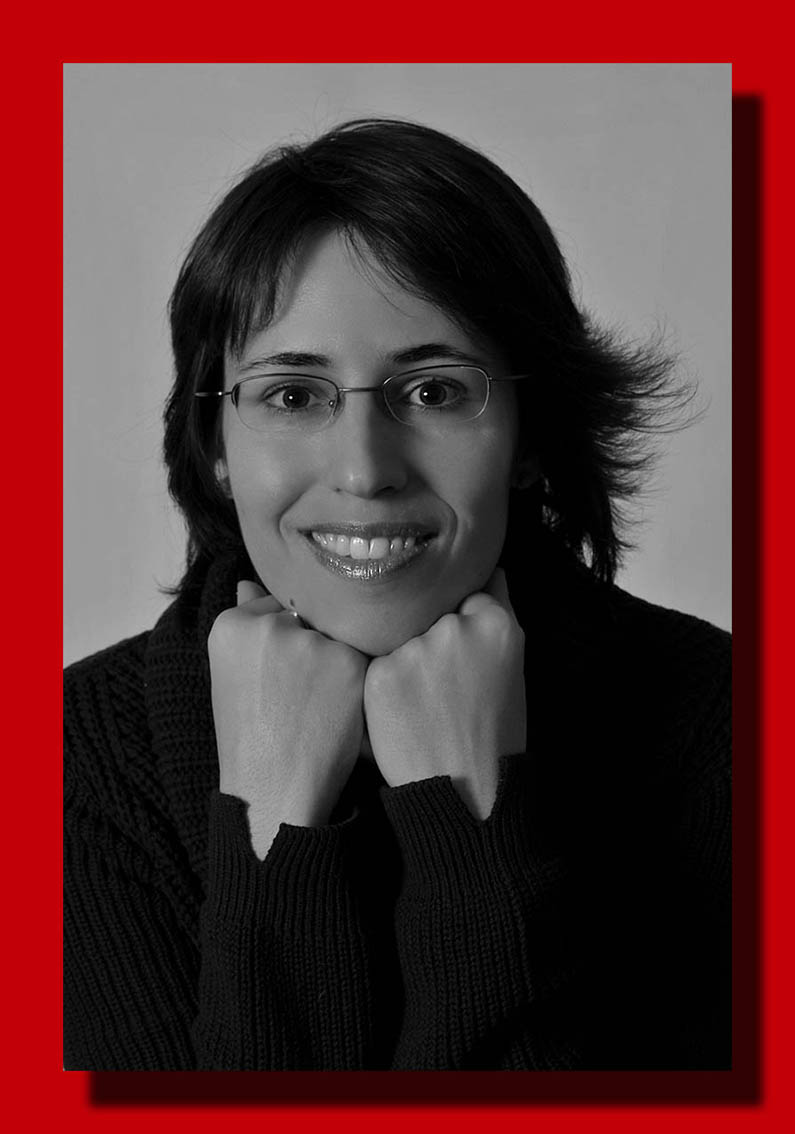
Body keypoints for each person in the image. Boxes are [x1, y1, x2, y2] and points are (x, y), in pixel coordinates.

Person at [63, 118, 731, 1071]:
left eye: (432, 393)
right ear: (215, 445)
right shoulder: (69, 767)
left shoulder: (727, 729)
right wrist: (273, 823)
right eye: (292, 395)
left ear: (531, 434)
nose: (365, 471)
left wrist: (472, 825)